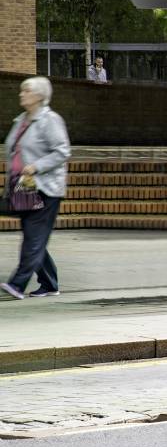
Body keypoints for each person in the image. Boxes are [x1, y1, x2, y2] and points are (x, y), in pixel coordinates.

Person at [1, 76, 71, 300]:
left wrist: (36, 167)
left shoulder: (50, 120)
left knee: (33, 237)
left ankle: (17, 284)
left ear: (40, 95)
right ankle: (49, 284)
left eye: (26, 91)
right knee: (35, 236)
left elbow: (62, 151)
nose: (21, 94)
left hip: (46, 188)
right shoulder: (22, 119)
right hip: (23, 187)